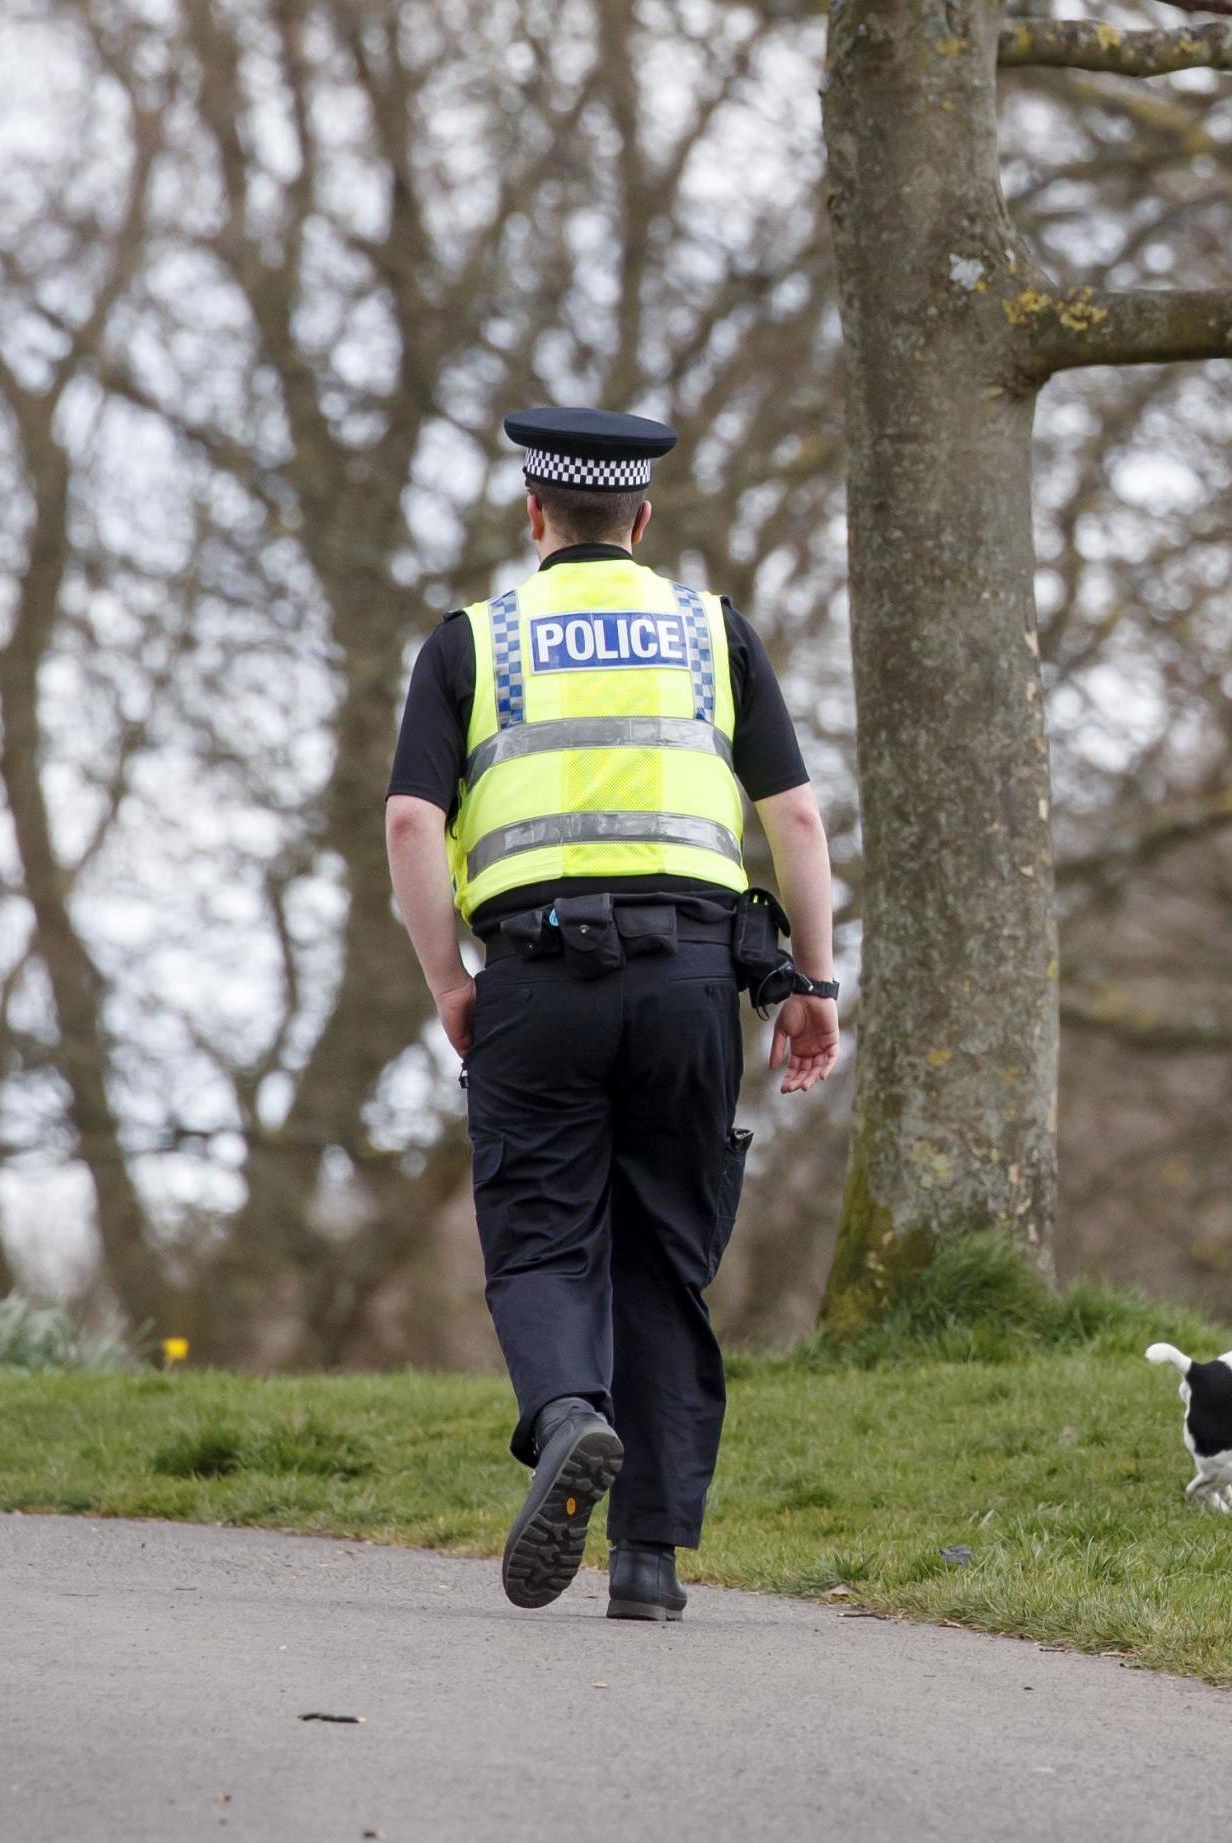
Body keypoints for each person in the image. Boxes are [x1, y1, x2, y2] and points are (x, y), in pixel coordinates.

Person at [384, 406, 839, 1618]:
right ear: (642, 519)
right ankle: (648, 1562)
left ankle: (571, 1413)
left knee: (540, 1228)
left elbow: (410, 825)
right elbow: (795, 819)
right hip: (695, 983)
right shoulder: (711, 631)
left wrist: (449, 983)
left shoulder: (470, 642)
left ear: (538, 516)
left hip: (536, 980)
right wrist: (811, 982)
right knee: (665, 1255)